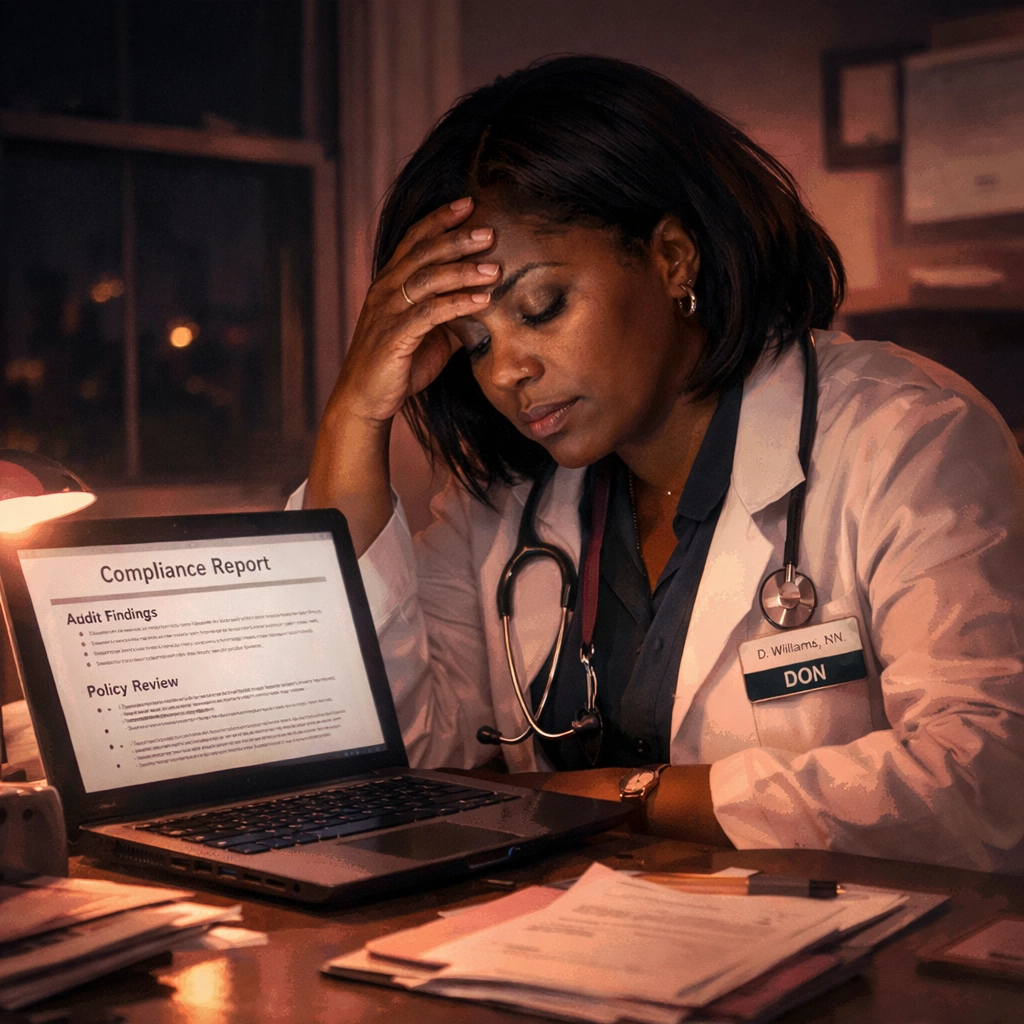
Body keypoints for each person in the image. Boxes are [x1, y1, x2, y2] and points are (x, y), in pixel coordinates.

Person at [293, 56, 1024, 871]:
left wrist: (624, 797)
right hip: (569, 958)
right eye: (474, 344)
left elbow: (984, 781)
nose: (505, 373)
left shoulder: (907, 437)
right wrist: (354, 416)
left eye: (542, 307)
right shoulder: (506, 507)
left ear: (674, 256)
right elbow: (391, 751)